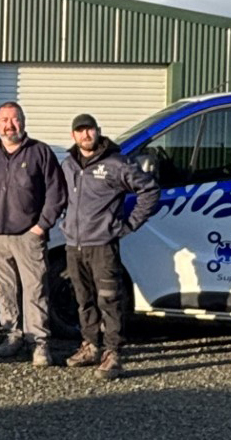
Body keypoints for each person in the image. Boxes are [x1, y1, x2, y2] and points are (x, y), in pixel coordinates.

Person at [62, 113, 160, 380]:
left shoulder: (117, 164)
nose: (85, 135)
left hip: (103, 246)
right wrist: (64, 224)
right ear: (73, 135)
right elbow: (62, 197)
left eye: (89, 130)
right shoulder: (69, 164)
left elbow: (149, 191)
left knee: (110, 299)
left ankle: (113, 352)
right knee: (83, 300)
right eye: (80, 131)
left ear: (98, 131)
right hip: (75, 245)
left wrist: (128, 225)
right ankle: (91, 345)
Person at [0, 101, 66, 367]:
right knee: (4, 292)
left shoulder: (40, 153)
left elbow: (57, 194)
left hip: (29, 236)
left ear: (23, 122)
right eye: (4, 120)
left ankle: (39, 344)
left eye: (14, 119)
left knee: (35, 291)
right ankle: (12, 337)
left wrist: (41, 226)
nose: (9, 125)